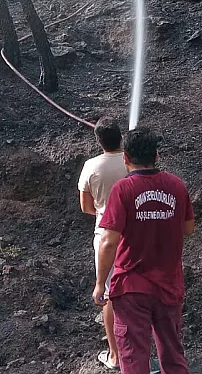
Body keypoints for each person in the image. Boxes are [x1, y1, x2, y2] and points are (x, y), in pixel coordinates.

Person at [93, 128, 195, 374]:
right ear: (157, 156)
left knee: (133, 357)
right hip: (169, 284)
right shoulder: (176, 186)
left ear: (126, 158)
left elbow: (108, 242)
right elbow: (188, 228)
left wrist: (99, 283)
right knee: (173, 354)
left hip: (131, 286)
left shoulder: (123, 189)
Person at [78, 117, 128, 370]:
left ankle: (115, 355)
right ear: (121, 137)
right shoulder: (132, 161)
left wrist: (103, 210)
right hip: (135, 234)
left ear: (99, 141)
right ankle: (140, 352)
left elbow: (86, 207)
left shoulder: (91, 166)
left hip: (105, 234)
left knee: (108, 294)